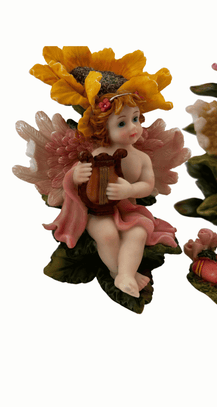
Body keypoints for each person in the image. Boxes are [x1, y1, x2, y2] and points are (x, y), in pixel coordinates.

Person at [44, 92, 177, 298]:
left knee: (138, 232)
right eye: (122, 124)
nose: (133, 127)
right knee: (107, 234)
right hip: (97, 211)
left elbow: (147, 185)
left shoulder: (142, 158)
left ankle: (125, 274)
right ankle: (117, 272)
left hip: (127, 209)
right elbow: (74, 180)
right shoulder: (97, 154)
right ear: (104, 129)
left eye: (135, 119)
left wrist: (130, 190)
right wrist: (76, 176)